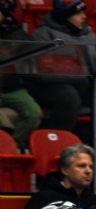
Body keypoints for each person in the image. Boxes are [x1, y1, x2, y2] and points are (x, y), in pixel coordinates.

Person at [30, 0, 96, 135]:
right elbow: (44, 70)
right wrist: (81, 73)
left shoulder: (90, 36)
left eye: (83, 12)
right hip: (55, 86)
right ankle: (61, 142)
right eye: (78, 13)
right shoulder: (43, 34)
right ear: (65, 16)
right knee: (69, 96)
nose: (84, 17)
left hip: (87, 85)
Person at [0, 0, 41, 150]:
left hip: (13, 87)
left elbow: (31, 62)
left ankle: (13, 145)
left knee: (33, 112)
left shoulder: (19, 36)